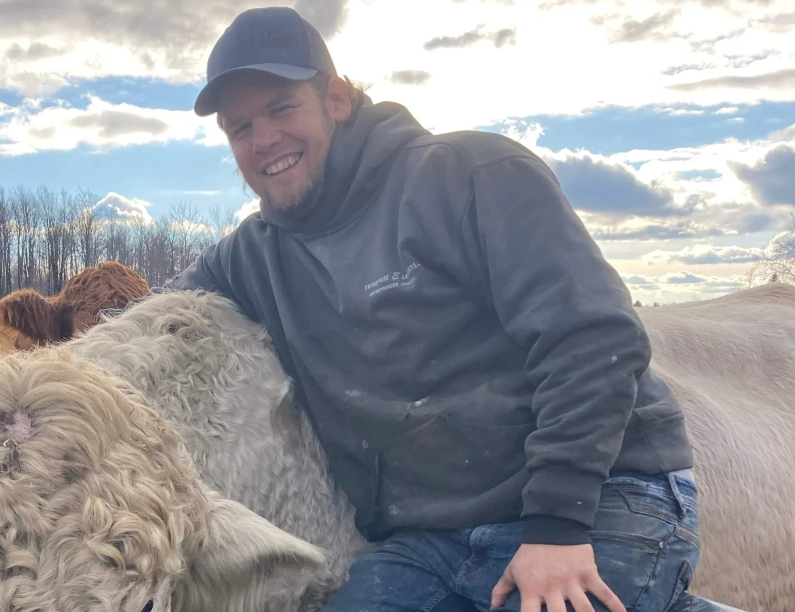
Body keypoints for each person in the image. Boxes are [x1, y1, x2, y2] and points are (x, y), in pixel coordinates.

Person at [165, 6, 700, 612]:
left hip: (599, 497)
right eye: (240, 128)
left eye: (281, 108)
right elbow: (155, 323)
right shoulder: (253, 258)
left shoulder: (469, 175)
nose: (263, 140)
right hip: (433, 542)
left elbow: (594, 340)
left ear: (335, 99)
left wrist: (556, 524)